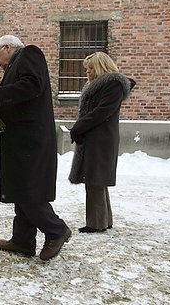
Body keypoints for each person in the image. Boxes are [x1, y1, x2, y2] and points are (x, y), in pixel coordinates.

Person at [0, 35, 71, 260]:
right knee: (20, 188)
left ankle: (56, 230)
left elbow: (32, 86)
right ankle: (23, 240)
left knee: (29, 191)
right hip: (21, 140)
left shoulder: (29, 53)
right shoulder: (14, 66)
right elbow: (18, 102)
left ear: (8, 47)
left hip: (30, 140)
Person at [68, 52, 136, 233]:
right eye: (87, 68)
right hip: (96, 136)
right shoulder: (104, 85)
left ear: (101, 67)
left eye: (91, 68)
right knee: (96, 179)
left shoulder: (112, 85)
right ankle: (104, 220)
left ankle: (96, 223)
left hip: (101, 138)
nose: (88, 72)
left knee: (95, 179)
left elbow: (100, 112)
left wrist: (79, 127)